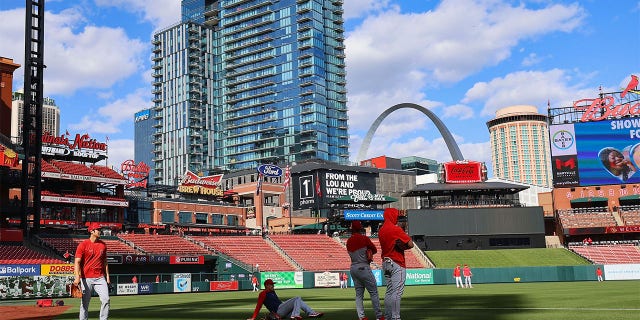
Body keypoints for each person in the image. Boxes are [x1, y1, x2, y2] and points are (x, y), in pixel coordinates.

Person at [378, 208, 413, 320]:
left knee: (389, 291)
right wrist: (403, 244)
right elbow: (410, 244)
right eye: (396, 216)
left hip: (385, 262)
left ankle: (388, 317)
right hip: (397, 262)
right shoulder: (395, 229)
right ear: (393, 216)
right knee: (397, 293)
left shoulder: (381, 230)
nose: (397, 218)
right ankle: (395, 317)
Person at [346, 220, 384, 320]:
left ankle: (361, 317)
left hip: (353, 268)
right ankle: (379, 316)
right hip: (363, 266)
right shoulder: (364, 238)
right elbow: (374, 250)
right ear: (360, 228)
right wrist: (369, 252)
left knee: (359, 294)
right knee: (373, 292)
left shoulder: (348, 241)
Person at [74, 222, 110, 320]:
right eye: (98, 229)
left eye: (100, 229)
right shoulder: (83, 245)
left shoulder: (103, 245)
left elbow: (105, 262)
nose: (100, 231)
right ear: (91, 231)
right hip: (86, 278)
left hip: (100, 277)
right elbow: (77, 262)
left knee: (106, 299)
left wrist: (107, 276)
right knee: (85, 304)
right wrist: (77, 277)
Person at [247, 279, 324, 320]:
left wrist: (286, 306)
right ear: (267, 285)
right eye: (271, 285)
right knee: (297, 298)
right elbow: (258, 306)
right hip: (278, 311)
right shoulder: (263, 294)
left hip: (281, 312)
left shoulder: (273, 292)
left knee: (298, 302)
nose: (273, 286)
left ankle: (310, 313)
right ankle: (297, 314)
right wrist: (253, 318)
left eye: (273, 284)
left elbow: (277, 301)